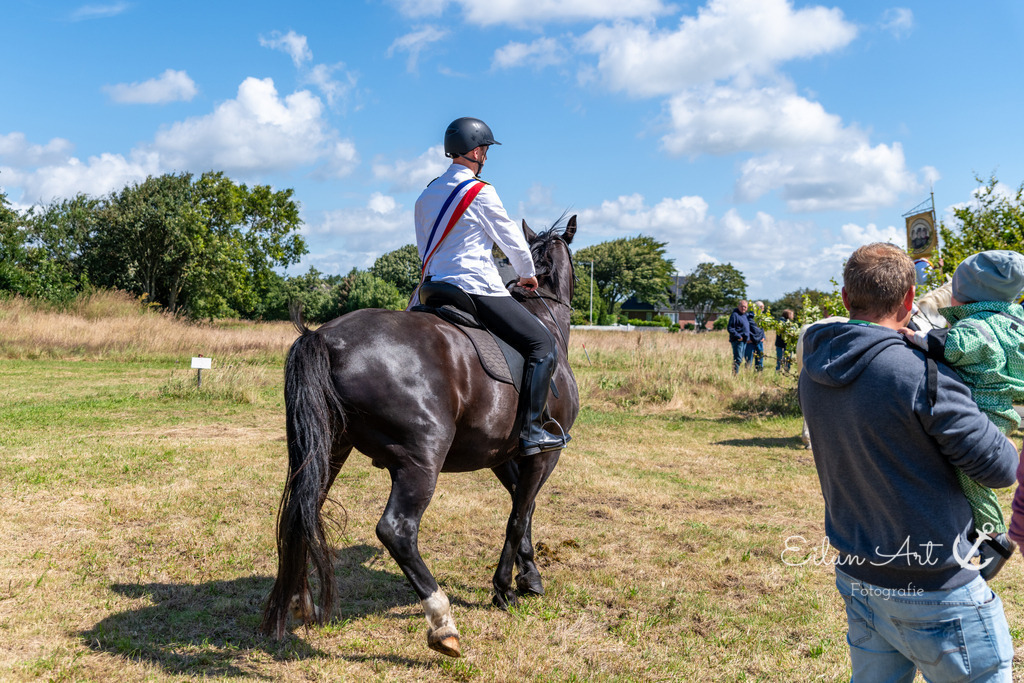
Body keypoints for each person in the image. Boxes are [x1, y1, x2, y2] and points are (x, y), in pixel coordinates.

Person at [800, 242, 1018, 681]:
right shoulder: (921, 373)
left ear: (845, 298)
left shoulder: (814, 368)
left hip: (860, 575)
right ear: (908, 300)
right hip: (937, 590)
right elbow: (1000, 469)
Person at [414, 117, 568, 456]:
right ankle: (532, 431)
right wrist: (527, 273)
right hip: (472, 286)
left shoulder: (426, 195)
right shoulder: (480, 192)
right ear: (477, 151)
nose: (486, 155)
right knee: (542, 344)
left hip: (432, 287)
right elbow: (512, 241)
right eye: (485, 149)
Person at [901, 250, 1024, 578]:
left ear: (968, 296)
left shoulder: (975, 327)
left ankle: (993, 537)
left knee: (967, 473)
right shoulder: (1016, 322)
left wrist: (916, 337)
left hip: (982, 410)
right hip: (1006, 410)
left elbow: (951, 347)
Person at [726, 300, 749, 374]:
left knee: (740, 359)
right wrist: (738, 336)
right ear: (738, 306)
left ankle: (736, 374)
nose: (743, 308)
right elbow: (730, 328)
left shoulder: (745, 315)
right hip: (738, 340)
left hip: (744, 340)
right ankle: (735, 375)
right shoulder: (735, 315)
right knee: (737, 359)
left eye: (745, 307)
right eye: (742, 306)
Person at [744, 301, 765, 371]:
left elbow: (762, 328)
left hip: (759, 342)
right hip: (750, 342)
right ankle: (747, 375)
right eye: (762, 307)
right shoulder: (748, 317)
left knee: (760, 360)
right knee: (748, 360)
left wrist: (763, 337)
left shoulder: (762, 317)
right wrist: (747, 339)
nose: (763, 309)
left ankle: (758, 375)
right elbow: (745, 328)